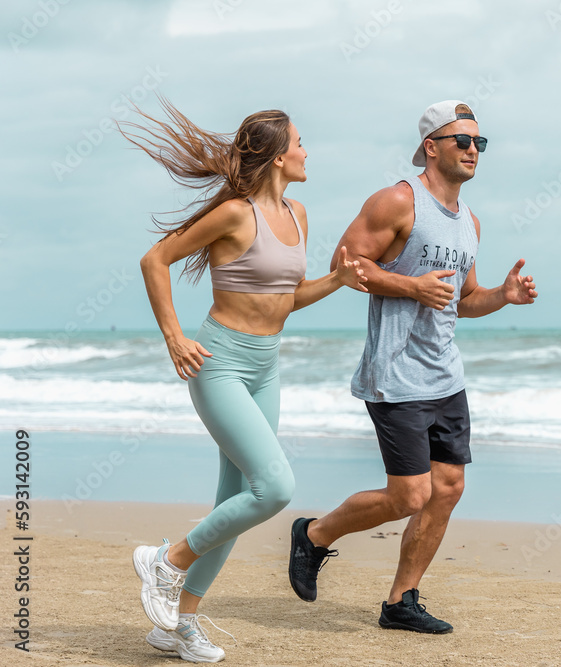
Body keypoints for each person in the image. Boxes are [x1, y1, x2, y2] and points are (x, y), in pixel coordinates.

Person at [122, 100, 367, 662]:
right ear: (279, 156)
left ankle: (178, 625)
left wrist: (336, 281)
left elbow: (283, 300)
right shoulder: (234, 214)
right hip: (221, 364)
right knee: (274, 488)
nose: (308, 152)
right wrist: (174, 336)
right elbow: (154, 260)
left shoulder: (298, 214)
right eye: (301, 143)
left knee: (235, 501)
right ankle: (167, 560)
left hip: (265, 365)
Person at [287, 100, 537, 634]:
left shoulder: (469, 222)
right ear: (432, 146)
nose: (474, 150)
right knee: (410, 495)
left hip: (446, 376)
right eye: (463, 141)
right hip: (395, 374)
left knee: (447, 489)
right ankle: (313, 535)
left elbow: (461, 301)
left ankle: (401, 600)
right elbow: (345, 265)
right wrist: (410, 286)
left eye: (480, 143)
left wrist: (502, 295)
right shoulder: (398, 201)